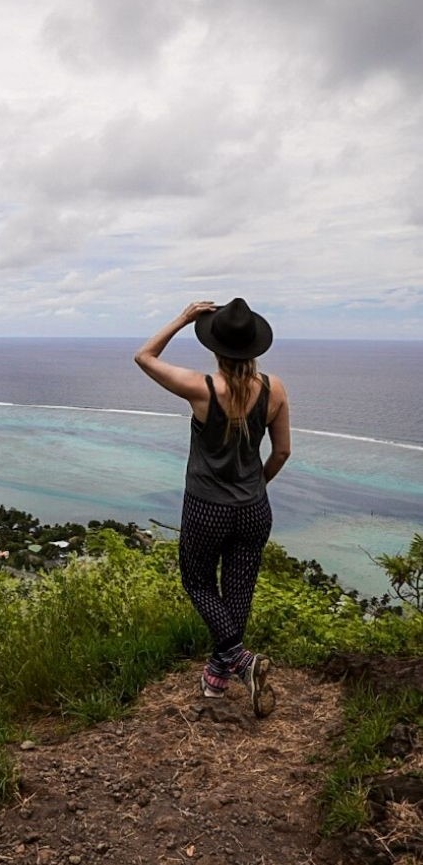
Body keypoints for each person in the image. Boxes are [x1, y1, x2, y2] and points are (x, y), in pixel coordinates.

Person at [134, 297, 291, 717]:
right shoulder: (274, 389)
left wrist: (184, 318)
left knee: (199, 583)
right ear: (255, 348)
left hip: (207, 507)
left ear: (216, 349)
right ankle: (218, 678)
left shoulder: (203, 389)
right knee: (238, 591)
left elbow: (144, 356)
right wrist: (255, 486)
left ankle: (239, 661)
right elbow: (281, 453)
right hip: (254, 508)